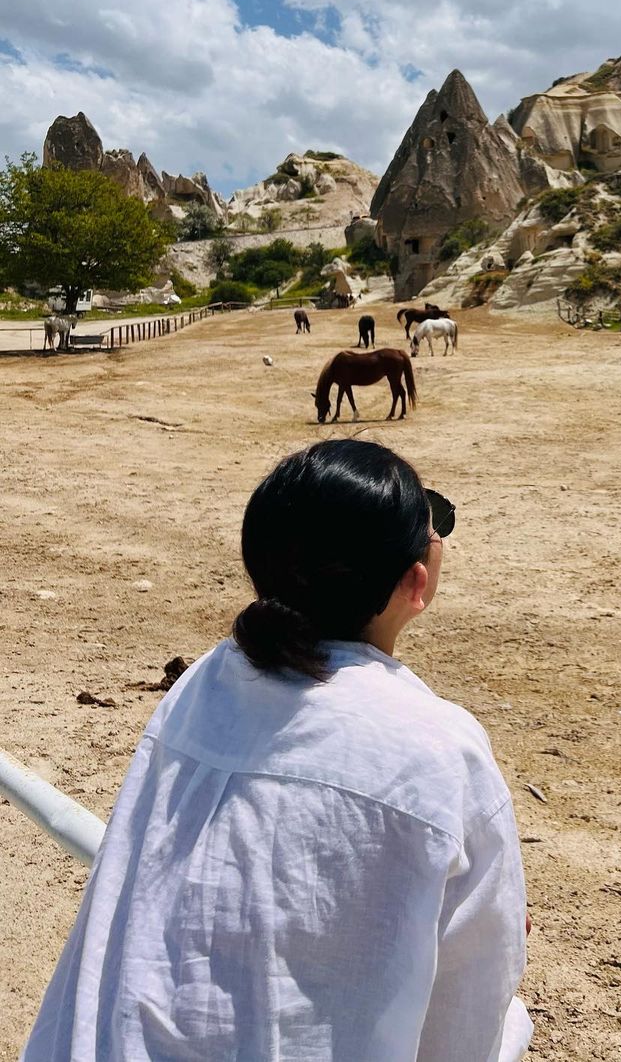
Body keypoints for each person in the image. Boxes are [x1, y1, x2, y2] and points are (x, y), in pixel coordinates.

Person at [24, 440, 532, 1061]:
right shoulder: (441, 753)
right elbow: (469, 1016)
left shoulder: (205, 683)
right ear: (415, 583)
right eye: (434, 525)